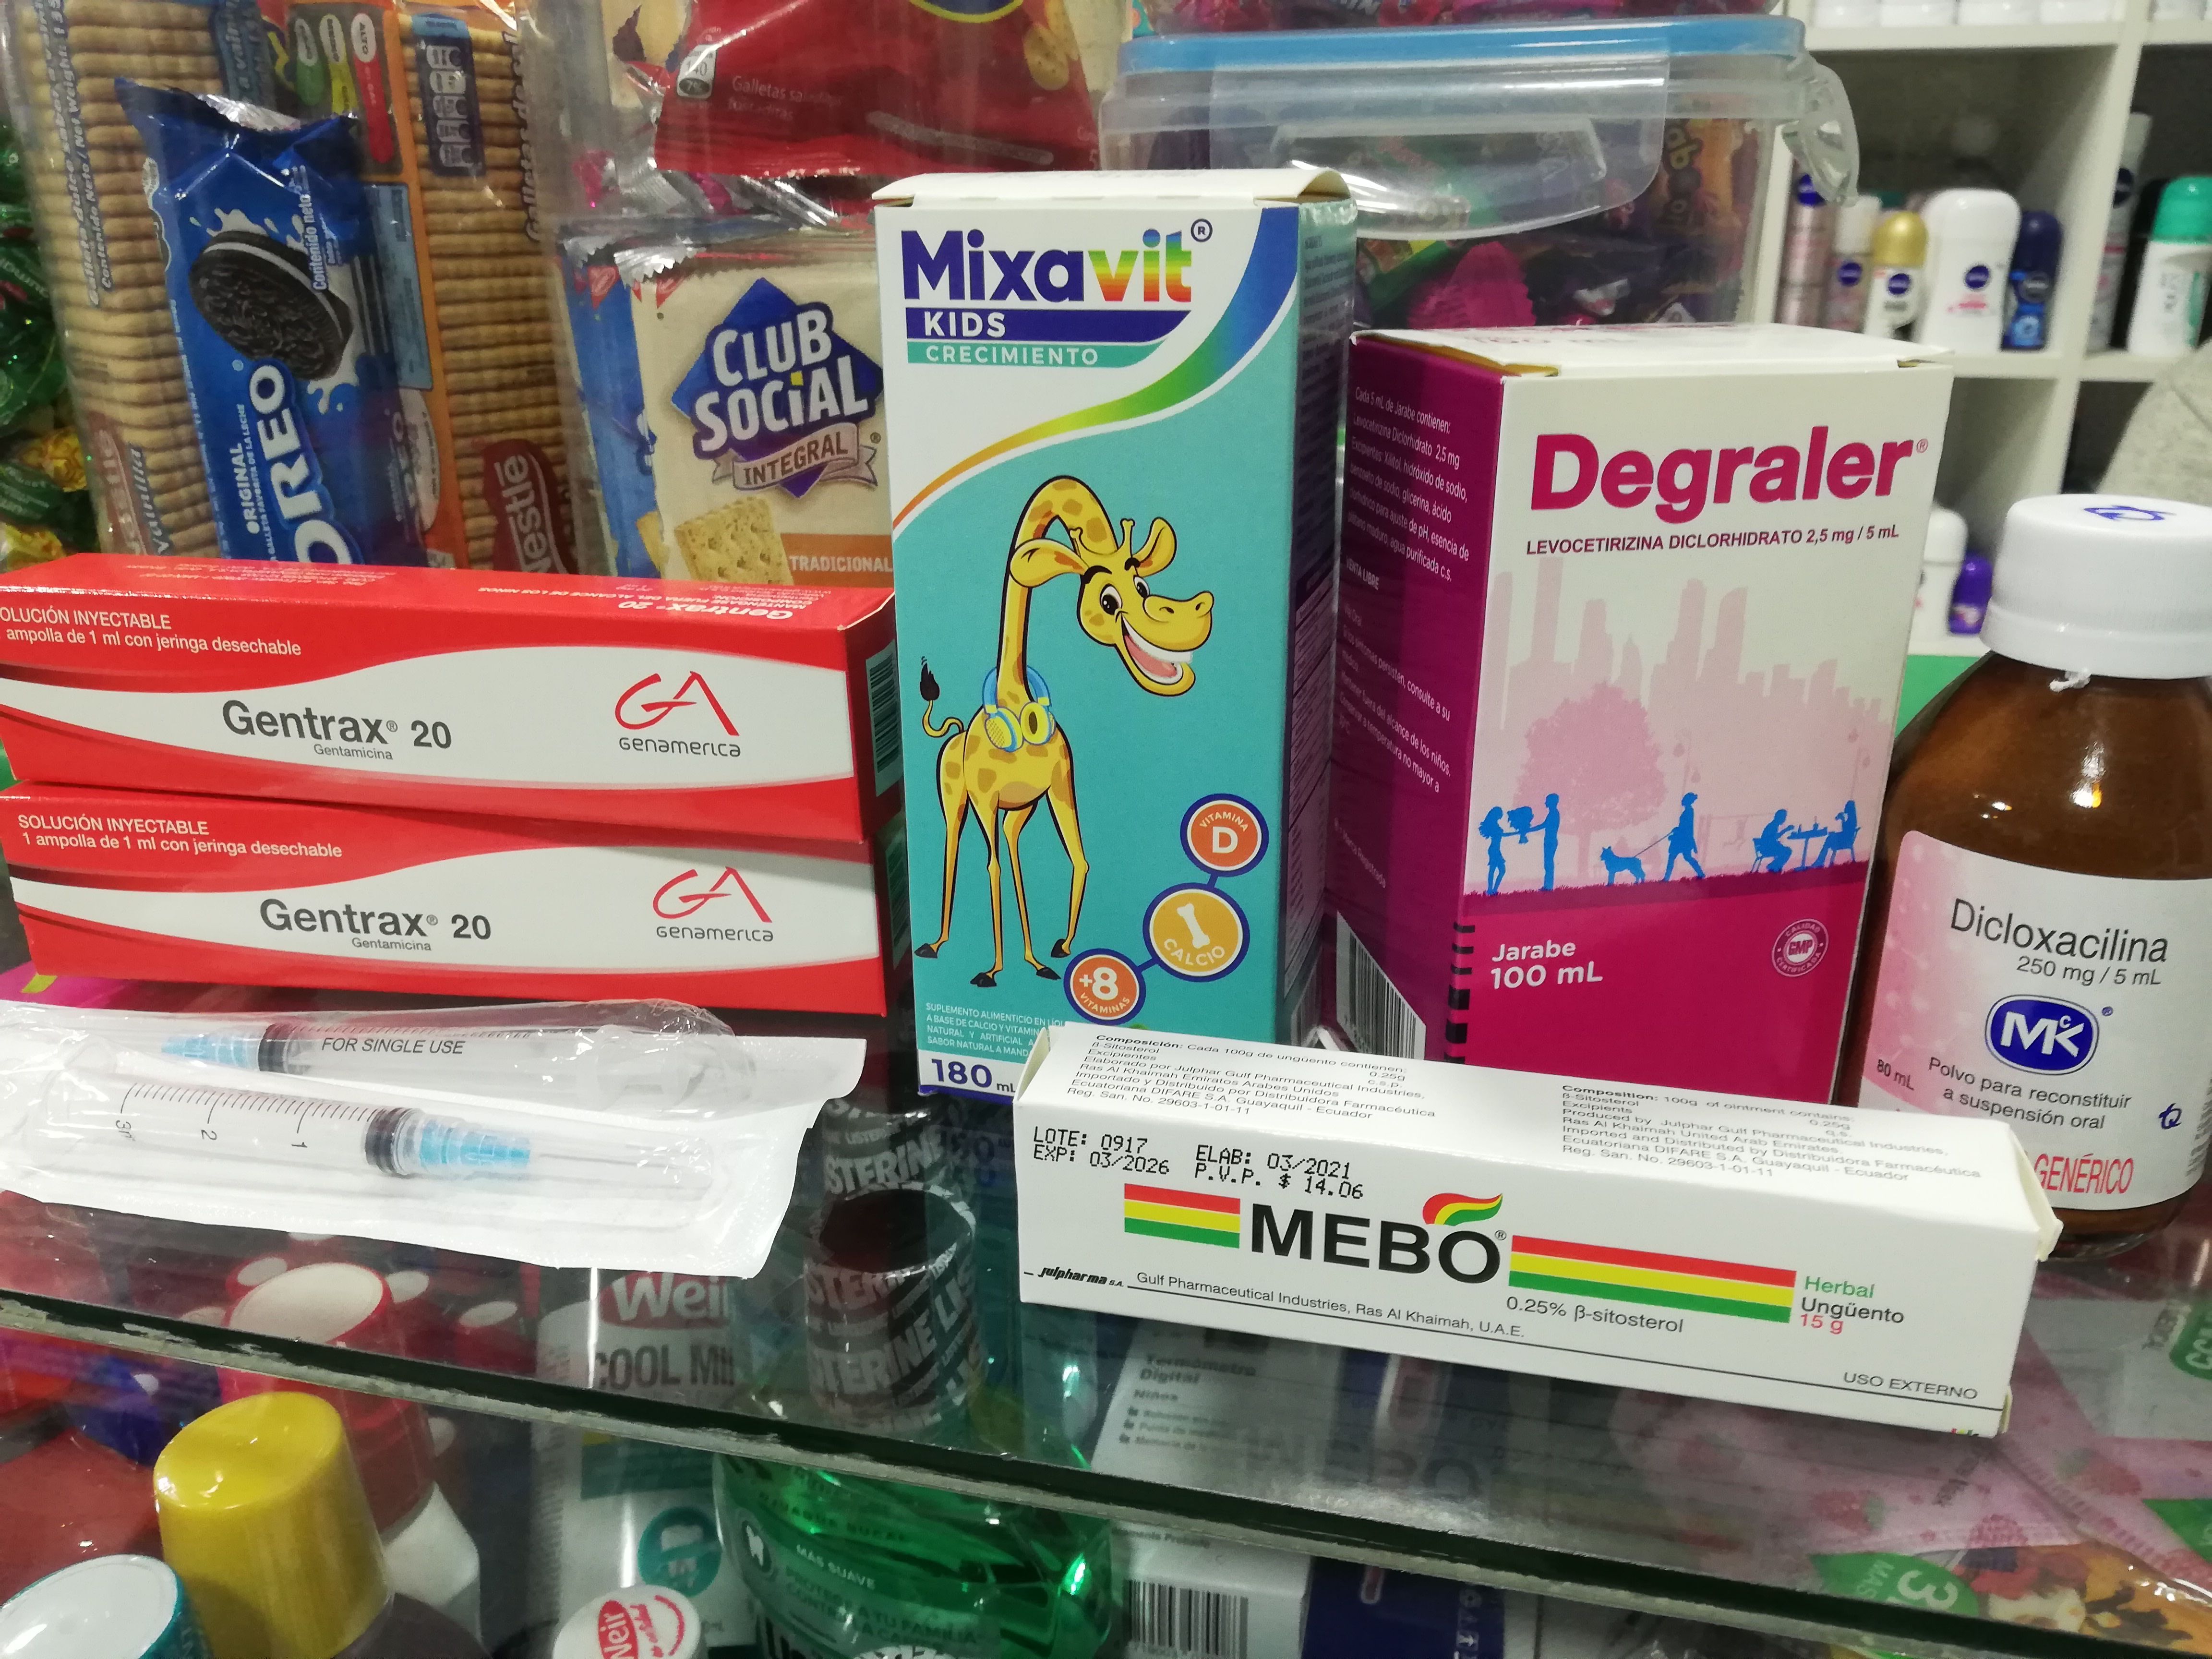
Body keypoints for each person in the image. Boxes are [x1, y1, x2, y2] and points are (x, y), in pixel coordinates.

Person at [1663, 792, 1704, 880]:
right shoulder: (1688, 811)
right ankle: (1701, 874)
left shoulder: (1689, 812)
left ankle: (1666, 878)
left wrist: (1677, 831)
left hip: (1682, 839)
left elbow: (1686, 827)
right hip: (1683, 838)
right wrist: (1677, 830)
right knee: (1686, 857)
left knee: (1674, 857)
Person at [1752, 808, 1791, 874]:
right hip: (1767, 849)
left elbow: (1772, 839)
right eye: (1784, 817)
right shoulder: (1773, 826)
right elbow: (1773, 838)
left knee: (1786, 851)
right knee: (1787, 851)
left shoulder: (1774, 825)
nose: (1784, 819)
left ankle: (1775, 867)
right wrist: (1786, 830)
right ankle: (1773, 867)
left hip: (1767, 848)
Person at [1479, 805, 1507, 896]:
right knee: (1496, 870)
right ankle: (1491, 890)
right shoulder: (1494, 826)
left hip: (1495, 850)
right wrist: (1517, 833)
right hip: (1494, 850)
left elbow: (1503, 835)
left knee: (1498, 870)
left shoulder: (1494, 825)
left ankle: (1493, 890)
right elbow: (1502, 835)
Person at [1537, 793, 1560, 891]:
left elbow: (1544, 825)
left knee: (1549, 864)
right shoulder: (1553, 813)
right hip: (1550, 840)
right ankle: (1548, 886)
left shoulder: (1554, 814)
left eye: (1547, 801)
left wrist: (1528, 830)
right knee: (1548, 863)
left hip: (1551, 841)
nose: (1545, 803)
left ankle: (1548, 887)